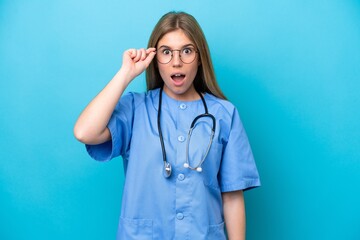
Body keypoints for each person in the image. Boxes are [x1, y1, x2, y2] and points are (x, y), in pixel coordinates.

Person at [74, 11, 260, 240]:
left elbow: (232, 195)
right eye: (166, 52)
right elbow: (85, 132)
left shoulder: (224, 114)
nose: (176, 61)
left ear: (200, 57)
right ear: (155, 59)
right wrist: (126, 74)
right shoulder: (135, 109)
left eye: (187, 51)